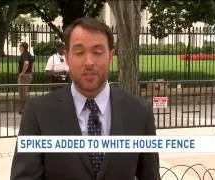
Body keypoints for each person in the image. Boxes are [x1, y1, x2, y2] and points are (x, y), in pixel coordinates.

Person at [10, 17, 160, 180]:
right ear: (67, 58)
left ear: (110, 56)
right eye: (79, 52)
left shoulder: (139, 112)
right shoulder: (38, 113)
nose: (89, 62)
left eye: (97, 52)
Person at [18, 42, 35, 115]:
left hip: (24, 76)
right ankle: (24, 109)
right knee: (25, 92)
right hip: (29, 75)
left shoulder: (24, 55)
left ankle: (25, 109)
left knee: (23, 93)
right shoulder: (29, 54)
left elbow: (26, 63)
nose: (19, 48)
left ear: (22, 47)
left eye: (20, 46)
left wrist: (22, 72)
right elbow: (33, 63)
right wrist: (32, 71)